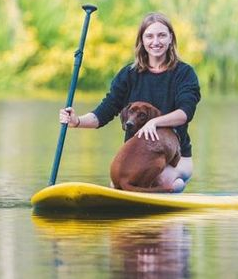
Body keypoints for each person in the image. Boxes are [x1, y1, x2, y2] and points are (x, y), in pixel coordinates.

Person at [59, 12, 201, 193]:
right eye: (149, 36)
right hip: (139, 157)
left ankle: (173, 188)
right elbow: (104, 111)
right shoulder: (129, 74)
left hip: (176, 157)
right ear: (141, 40)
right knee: (117, 183)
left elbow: (185, 113)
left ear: (171, 38)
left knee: (161, 179)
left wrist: (154, 122)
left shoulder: (184, 73)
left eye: (161, 35)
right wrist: (77, 121)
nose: (155, 41)